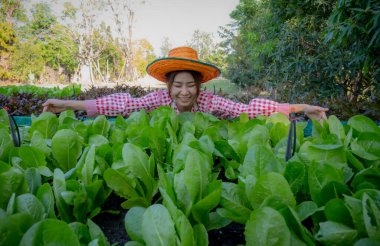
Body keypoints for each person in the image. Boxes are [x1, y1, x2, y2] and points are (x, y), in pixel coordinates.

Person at [43, 46, 328, 120]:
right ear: (168, 87)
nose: (184, 91)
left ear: (199, 86)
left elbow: (249, 110)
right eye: (177, 85)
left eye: (190, 85)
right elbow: (122, 104)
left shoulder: (209, 102)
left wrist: (302, 108)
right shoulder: (158, 100)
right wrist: (67, 105)